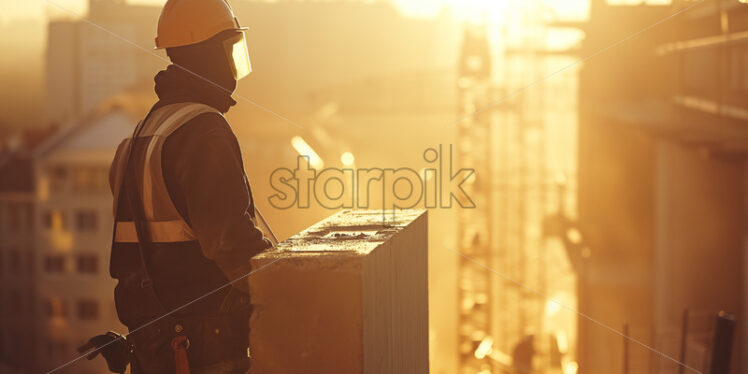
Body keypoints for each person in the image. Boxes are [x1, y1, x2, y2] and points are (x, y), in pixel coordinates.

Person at [79, 1, 272, 373]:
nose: (233, 65)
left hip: (155, 349)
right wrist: (288, 287)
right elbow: (233, 246)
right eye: (229, 50)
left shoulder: (142, 134)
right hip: (202, 349)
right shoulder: (203, 130)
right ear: (210, 54)